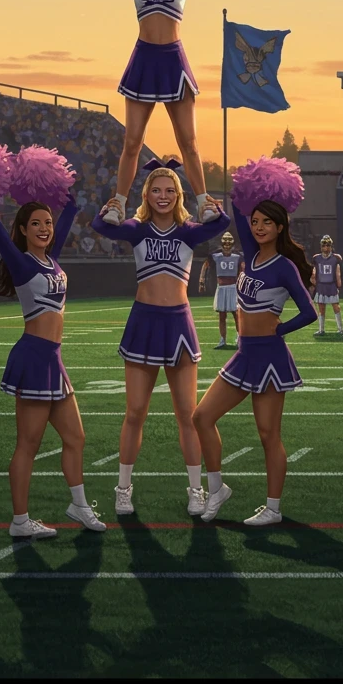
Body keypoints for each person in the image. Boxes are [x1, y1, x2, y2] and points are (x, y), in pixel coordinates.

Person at [90, 163, 229, 516]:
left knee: (187, 413)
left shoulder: (188, 232)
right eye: (156, 190)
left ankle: (196, 490)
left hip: (178, 324)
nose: (163, 196)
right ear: (146, 195)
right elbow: (99, 227)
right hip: (144, 322)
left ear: (178, 195)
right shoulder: (137, 229)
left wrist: (210, 203)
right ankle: (123, 488)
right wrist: (111, 208)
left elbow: (222, 224)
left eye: (170, 191)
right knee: (135, 412)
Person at [0, 192, 107, 537]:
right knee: (29, 444)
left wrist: (70, 201)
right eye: (35, 223)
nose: (44, 228)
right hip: (34, 356)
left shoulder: (51, 259)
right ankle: (20, 522)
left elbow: (66, 221)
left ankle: (79, 506)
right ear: (22, 230)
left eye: (47, 223)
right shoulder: (22, 263)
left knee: (75, 437)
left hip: (54, 359)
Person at [91, 0, 224, 227]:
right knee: (133, 142)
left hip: (174, 63)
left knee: (188, 142)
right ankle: (118, 204)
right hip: (143, 61)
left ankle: (204, 203)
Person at [192, 200, 317, 526]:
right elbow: (237, 206)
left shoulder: (284, 266)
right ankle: (217, 489)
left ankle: (273, 509)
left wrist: (281, 328)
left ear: (279, 227)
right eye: (256, 221)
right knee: (202, 416)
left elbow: (309, 312)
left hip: (270, 357)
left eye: (266, 222)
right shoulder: (252, 253)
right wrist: (248, 184)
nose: (258, 227)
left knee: (268, 435)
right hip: (244, 353)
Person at [199, 232, 242, 349]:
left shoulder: (237, 255)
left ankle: (239, 338)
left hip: (233, 287)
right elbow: (205, 265)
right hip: (222, 287)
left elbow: (243, 269)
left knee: (236, 314)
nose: (227, 243)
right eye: (225, 240)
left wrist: (242, 282)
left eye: (229, 240)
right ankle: (222, 340)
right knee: (222, 316)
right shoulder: (216, 255)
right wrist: (201, 281)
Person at [311, 235, 343, 336]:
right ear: (321, 247)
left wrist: (338, 284)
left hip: (331, 285)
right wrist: (313, 281)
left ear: (331, 246)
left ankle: (340, 329)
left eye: (328, 246)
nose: (326, 248)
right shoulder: (316, 258)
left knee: (336, 307)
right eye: (324, 246)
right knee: (321, 308)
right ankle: (321, 329)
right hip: (321, 285)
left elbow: (337, 272)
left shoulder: (335, 258)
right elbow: (314, 271)